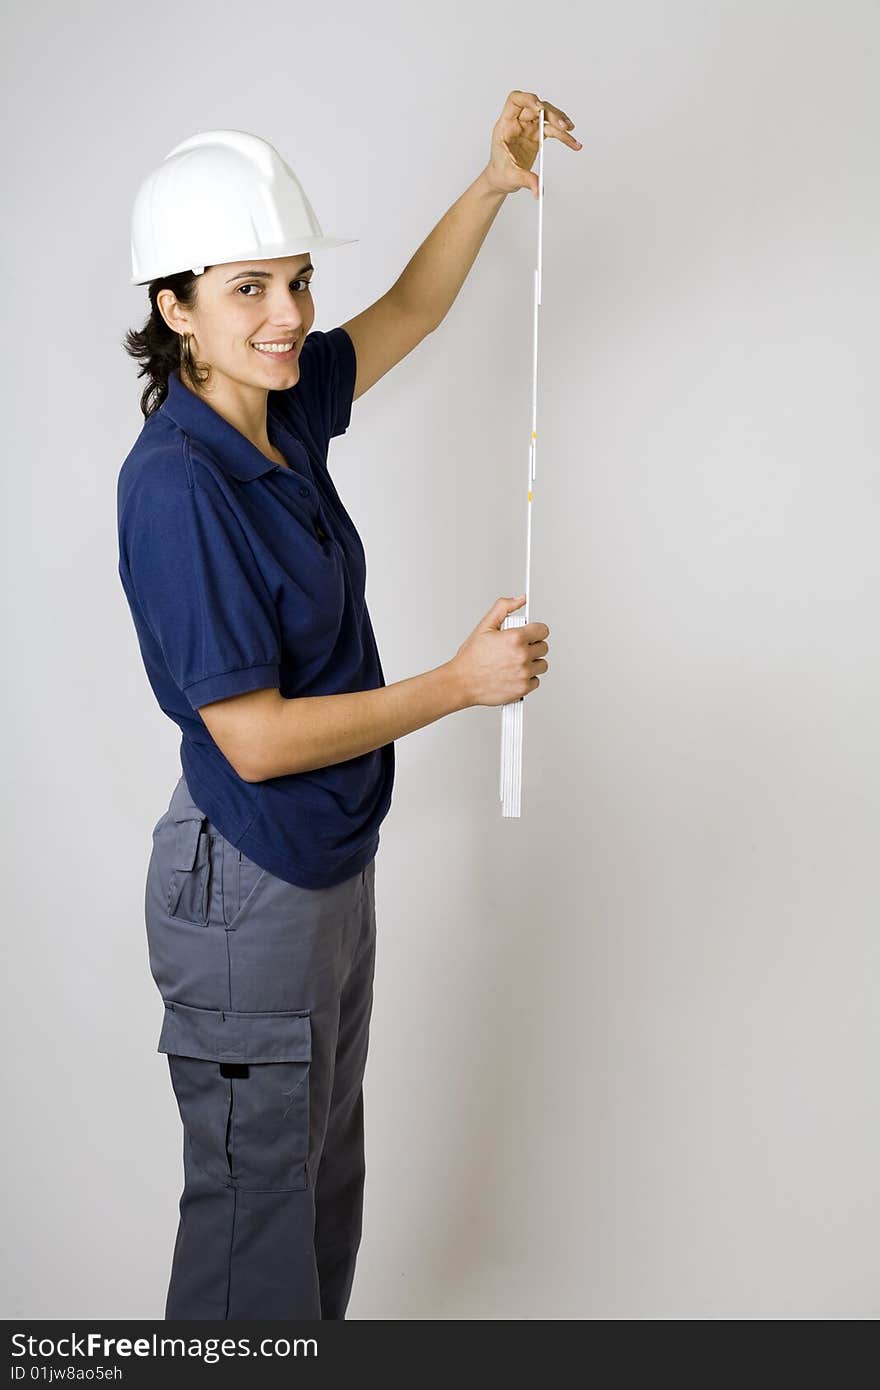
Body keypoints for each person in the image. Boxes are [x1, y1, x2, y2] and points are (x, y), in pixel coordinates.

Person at [117, 93, 574, 1321]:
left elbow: (411, 311)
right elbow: (252, 739)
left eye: (298, 281)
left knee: (316, 1196)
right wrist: (455, 685)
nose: (289, 317)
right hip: (247, 883)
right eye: (248, 289)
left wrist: (490, 184)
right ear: (176, 309)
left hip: (325, 863)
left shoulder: (275, 413)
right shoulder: (179, 485)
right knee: (251, 1230)